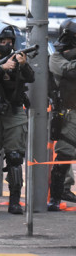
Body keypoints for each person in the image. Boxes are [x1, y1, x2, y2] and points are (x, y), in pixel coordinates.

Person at [0, 22, 33, 215]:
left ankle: (15, 200)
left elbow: (31, 77)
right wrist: (3, 68)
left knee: (15, 157)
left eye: (10, 41)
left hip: (14, 112)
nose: (7, 44)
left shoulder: (17, 57)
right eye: (3, 41)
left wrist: (23, 64)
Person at [47, 18, 76, 211]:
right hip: (68, 112)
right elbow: (69, 71)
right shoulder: (56, 57)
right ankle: (56, 198)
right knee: (65, 153)